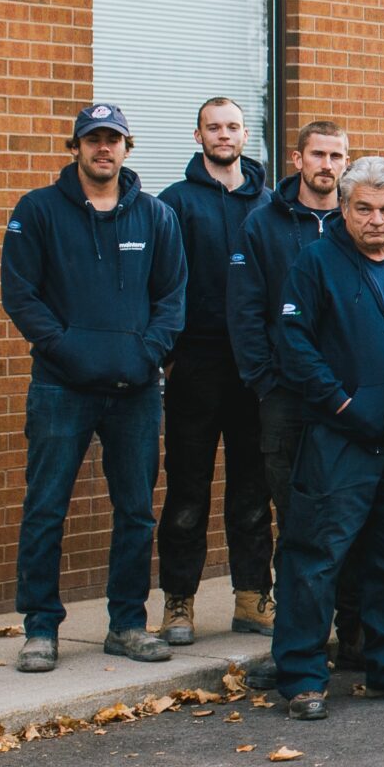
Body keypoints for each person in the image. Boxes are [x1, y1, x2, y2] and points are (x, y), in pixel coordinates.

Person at [0, 103, 187, 673]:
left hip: (135, 390)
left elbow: (172, 298)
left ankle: (127, 624)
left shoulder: (155, 217)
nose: (103, 148)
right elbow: (20, 294)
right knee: (46, 507)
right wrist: (66, 349)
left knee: (135, 511)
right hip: (61, 388)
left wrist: (146, 353)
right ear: (75, 147)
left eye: (113, 139)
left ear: (127, 148)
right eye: (93, 139)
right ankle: (40, 629)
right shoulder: (37, 211)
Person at [268, 157, 384, 720]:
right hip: (338, 437)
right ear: (344, 209)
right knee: (315, 557)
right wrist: (342, 403)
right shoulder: (316, 263)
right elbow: (294, 344)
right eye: (364, 209)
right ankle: (302, 677)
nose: (377, 220)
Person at [154, 97, 270, 645]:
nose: (224, 135)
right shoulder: (173, 203)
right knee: (186, 492)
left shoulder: (267, 204)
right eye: (214, 127)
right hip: (195, 366)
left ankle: (252, 597)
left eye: (233, 127)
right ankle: (178, 603)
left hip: (254, 370)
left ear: (246, 135)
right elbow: (160, 282)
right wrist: (169, 355)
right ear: (197, 135)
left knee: (254, 490)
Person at [227, 120, 348, 643]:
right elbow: (245, 309)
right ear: (297, 160)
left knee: (340, 506)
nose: (327, 165)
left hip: (345, 395)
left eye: (336, 156)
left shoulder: (356, 220)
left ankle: (340, 614)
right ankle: (295, 621)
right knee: (291, 508)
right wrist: (265, 380)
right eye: (318, 154)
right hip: (285, 395)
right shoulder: (262, 224)